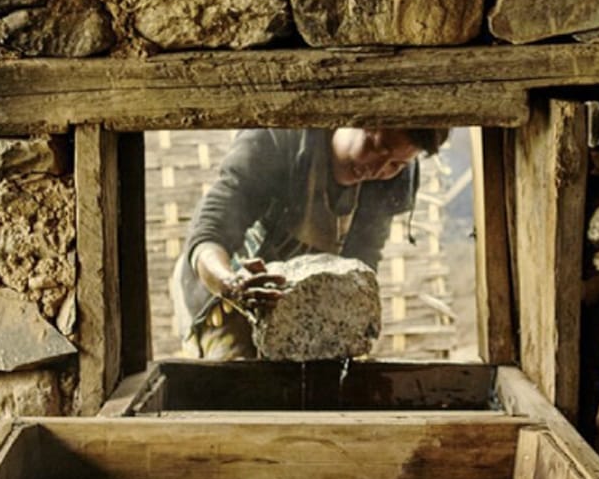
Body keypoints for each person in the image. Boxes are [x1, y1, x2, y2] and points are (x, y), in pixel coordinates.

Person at [171, 126, 450, 359]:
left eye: (396, 164)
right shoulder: (277, 139)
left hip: (307, 302)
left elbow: (364, 257)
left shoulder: (391, 180)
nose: (378, 168)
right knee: (242, 385)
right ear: (350, 117)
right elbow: (208, 234)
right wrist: (230, 284)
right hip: (225, 294)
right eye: (376, 146)